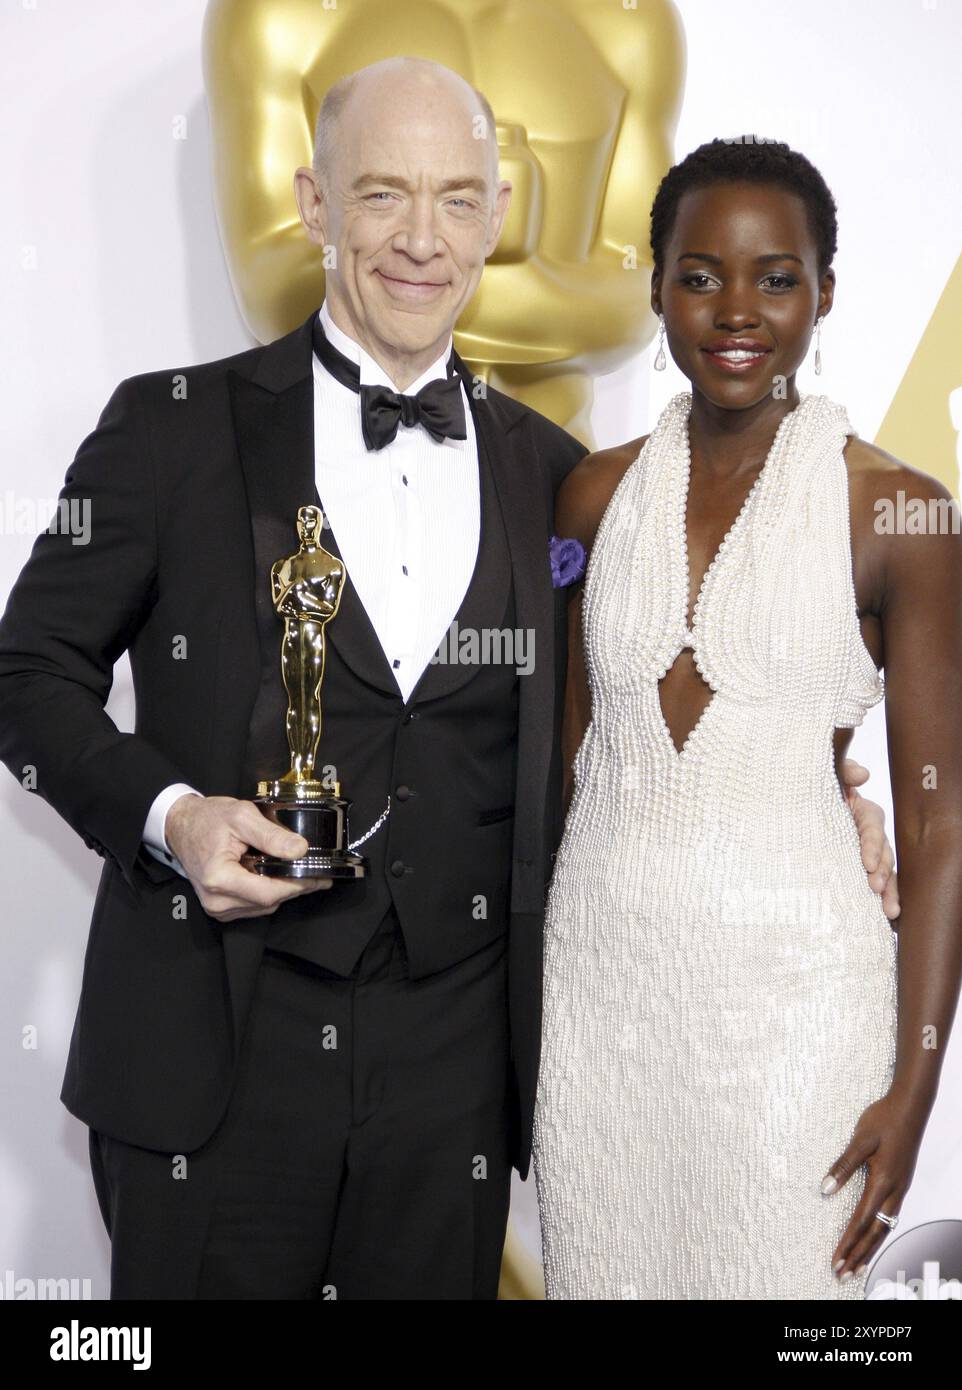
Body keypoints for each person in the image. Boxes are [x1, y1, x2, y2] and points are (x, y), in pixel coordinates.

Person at [0, 68, 892, 1300]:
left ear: (496, 216)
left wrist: (820, 790)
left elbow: (631, 709)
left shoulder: (564, 482)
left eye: (455, 199)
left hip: (454, 1076)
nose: (421, 238)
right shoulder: (168, 430)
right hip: (212, 1049)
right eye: (381, 194)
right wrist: (172, 817)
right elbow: (25, 672)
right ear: (315, 205)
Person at [533, 138, 962, 1300]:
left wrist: (912, 1091)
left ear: (824, 291)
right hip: (599, 1013)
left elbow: (937, 828)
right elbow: (565, 767)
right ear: (655, 286)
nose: (735, 310)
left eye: (775, 278)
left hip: (797, 1021)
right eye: (697, 273)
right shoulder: (589, 494)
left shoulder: (901, 516)